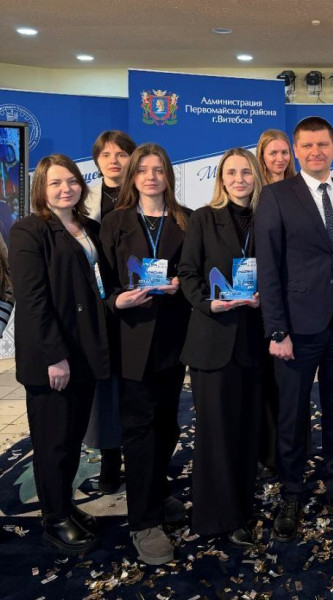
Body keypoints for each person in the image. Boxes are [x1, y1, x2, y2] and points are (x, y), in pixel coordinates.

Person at [256, 116, 333, 542]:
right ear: (296, 150)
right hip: (296, 328)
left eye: (322, 144)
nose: (315, 152)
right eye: (306, 145)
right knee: (292, 416)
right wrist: (276, 330)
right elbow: (269, 267)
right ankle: (292, 493)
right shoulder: (276, 195)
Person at [9, 154, 110, 554]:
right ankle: (54, 520)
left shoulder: (89, 228)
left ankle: (64, 505)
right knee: (53, 442)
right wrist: (55, 356)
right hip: (53, 357)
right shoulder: (29, 231)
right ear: (41, 188)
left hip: (84, 351)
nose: (65, 188)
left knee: (71, 439)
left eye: (71, 181)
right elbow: (32, 300)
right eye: (55, 182)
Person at [100, 143, 191, 565]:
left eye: (158, 169)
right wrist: (116, 300)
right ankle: (144, 522)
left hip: (172, 337)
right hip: (132, 337)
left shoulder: (186, 219)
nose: (151, 177)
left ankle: (155, 490)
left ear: (168, 175)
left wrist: (181, 286)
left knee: (168, 424)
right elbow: (102, 281)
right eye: (143, 170)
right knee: (138, 429)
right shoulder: (115, 222)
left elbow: (194, 273)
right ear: (133, 176)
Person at [179, 148, 265, 547]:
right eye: (231, 172)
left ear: (256, 176)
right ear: (221, 179)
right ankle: (216, 515)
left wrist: (267, 298)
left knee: (247, 430)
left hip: (254, 340)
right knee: (215, 432)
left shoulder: (268, 217)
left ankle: (242, 508)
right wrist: (207, 302)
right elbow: (187, 272)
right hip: (212, 339)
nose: (239, 179)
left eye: (246, 172)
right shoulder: (202, 218)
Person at [83, 130, 137, 495]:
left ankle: (140, 454)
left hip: (138, 301)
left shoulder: (146, 192)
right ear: (97, 161)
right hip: (99, 304)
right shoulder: (84, 198)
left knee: (136, 385)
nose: (114, 161)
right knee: (105, 386)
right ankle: (109, 458)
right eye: (106, 155)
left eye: (121, 154)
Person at [255, 128, 297, 481]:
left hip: (293, 300)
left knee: (290, 384)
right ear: (262, 157)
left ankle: (289, 451)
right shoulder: (252, 193)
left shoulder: (299, 191)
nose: (280, 158)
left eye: (285, 152)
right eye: (273, 153)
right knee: (263, 381)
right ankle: (265, 449)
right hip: (255, 298)